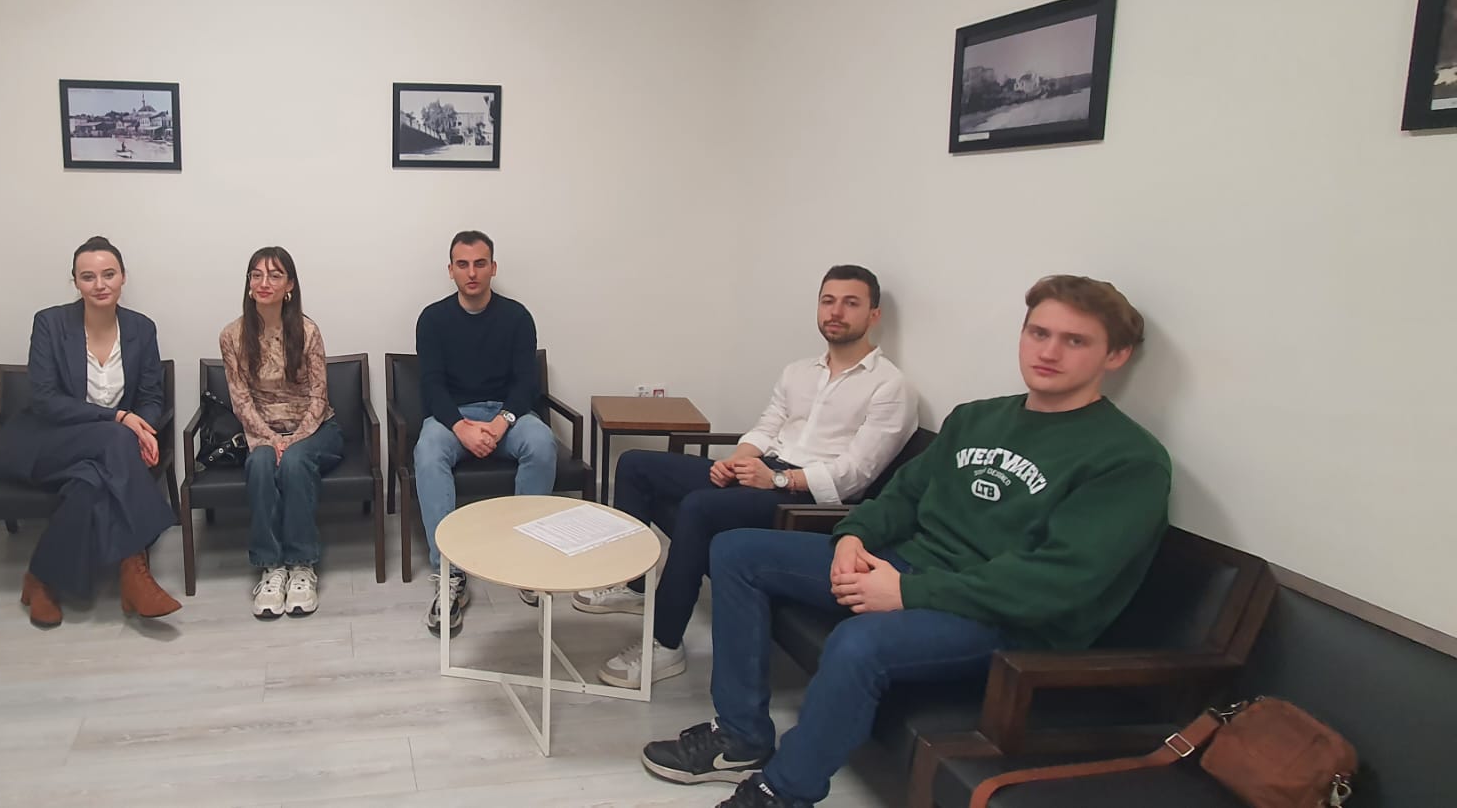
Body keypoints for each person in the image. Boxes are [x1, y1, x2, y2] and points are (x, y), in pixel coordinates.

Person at [638, 275, 1170, 808]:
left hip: (1004, 618)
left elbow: (1057, 584)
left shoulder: (1127, 459)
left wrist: (906, 594)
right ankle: (741, 735)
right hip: (908, 567)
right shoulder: (977, 418)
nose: (1049, 352)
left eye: (1075, 340)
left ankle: (782, 791)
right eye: (1039, 333)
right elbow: (903, 496)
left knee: (859, 643)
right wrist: (854, 535)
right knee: (737, 551)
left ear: (1116, 355)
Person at [579, 266, 917, 689]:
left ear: (873, 315)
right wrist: (737, 460)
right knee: (635, 464)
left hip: (811, 500)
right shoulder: (799, 371)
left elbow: (855, 474)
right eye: (828, 301)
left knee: (699, 507)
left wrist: (779, 481)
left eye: (851, 303)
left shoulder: (890, 387)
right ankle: (634, 587)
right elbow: (767, 426)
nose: (836, 312)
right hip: (765, 470)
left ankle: (665, 643)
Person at [0, 236, 180, 628]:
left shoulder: (141, 328)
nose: (100, 284)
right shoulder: (50, 323)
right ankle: (135, 569)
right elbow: (45, 400)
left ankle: (40, 580)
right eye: (88, 277)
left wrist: (143, 428)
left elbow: (150, 396)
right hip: (45, 441)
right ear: (75, 282)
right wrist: (120, 419)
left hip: (103, 454)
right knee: (116, 438)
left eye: (108, 274)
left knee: (90, 482)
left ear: (123, 277)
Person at [414, 230, 557, 634]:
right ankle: (450, 573)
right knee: (427, 452)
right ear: (451, 270)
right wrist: (460, 427)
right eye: (463, 264)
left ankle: (526, 557)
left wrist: (499, 424)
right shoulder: (433, 319)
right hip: (453, 417)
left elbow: (525, 383)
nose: (472, 272)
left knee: (542, 442)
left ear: (493, 268)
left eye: (480, 264)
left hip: (505, 416)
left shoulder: (517, 317)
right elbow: (432, 385)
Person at [219, 247, 344, 619]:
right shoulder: (232, 335)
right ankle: (271, 567)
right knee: (260, 464)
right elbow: (241, 400)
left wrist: (292, 441)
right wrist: (272, 439)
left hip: (316, 429)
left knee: (294, 462)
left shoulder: (307, 331)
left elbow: (319, 396)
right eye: (256, 275)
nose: (264, 283)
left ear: (289, 285)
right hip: (262, 431)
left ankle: (302, 565)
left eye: (275, 275)